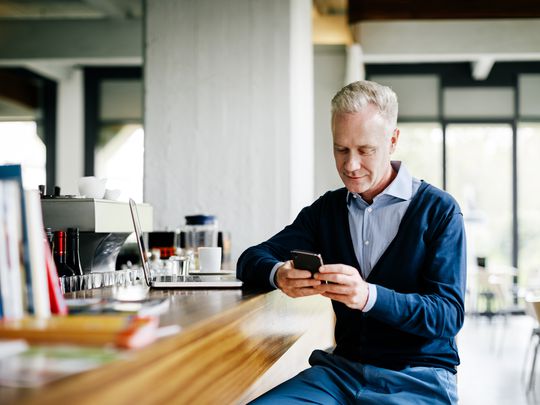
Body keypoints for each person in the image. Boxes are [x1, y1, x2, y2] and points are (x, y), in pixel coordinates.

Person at [236, 80, 466, 404]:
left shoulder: (440, 211)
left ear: (393, 140)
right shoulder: (326, 211)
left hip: (418, 379)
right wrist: (278, 274)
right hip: (339, 373)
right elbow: (251, 258)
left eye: (365, 150)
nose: (350, 165)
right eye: (340, 149)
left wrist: (369, 296)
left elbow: (447, 314)